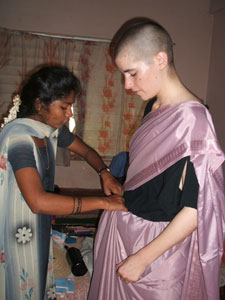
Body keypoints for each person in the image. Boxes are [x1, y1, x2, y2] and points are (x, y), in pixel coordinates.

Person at [88, 18, 225, 299]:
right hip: (127, 228)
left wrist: (142, 258)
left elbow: (197, 209)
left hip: (157, 248)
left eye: (132, 73)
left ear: (160, 59)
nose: (127, 85)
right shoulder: (154, 105)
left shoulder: (194, 122)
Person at [0, 64, 127, 300]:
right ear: (39, 104)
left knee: (39, 277)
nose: (69, 113)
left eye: (71, 106)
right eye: (64, 106)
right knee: (19, 285)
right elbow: (38, 202)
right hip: (15, 232)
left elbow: (86, 151)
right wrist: (103, 203)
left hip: (35, 226)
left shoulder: (49, 129)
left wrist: (105, 172)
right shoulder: (19, 137)